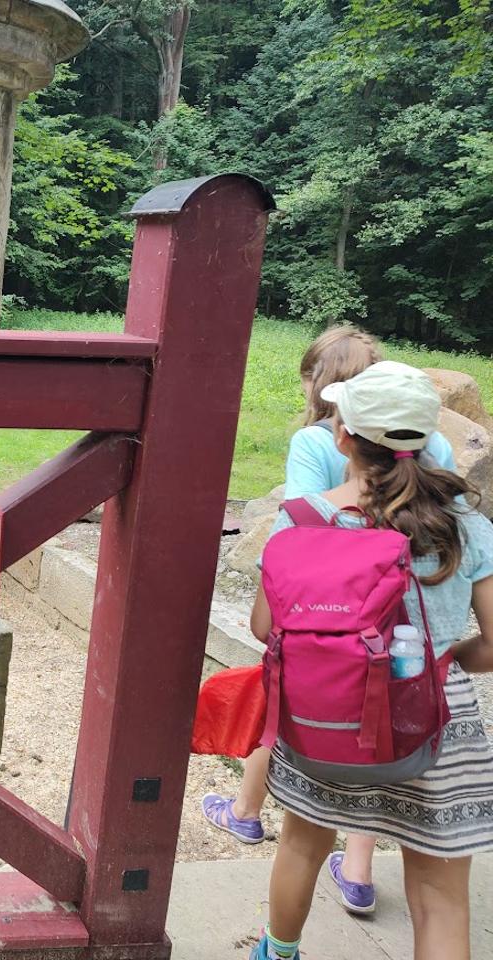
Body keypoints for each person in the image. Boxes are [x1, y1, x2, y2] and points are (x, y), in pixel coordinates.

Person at [202, 327, 456, 916]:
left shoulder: (313, 454)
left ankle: (247, 817)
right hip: (422, 675)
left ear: (342, 428)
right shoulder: (444, 475)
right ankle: (359, 872)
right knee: (385, 718)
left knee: (301, 719)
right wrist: (454, 653)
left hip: (325, 617)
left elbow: (291, 555)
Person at [250, 361, 493, 960]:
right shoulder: (465, 523)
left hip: (327, 715)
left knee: (302, 846)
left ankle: (277, 952)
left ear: (342, 437)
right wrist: (452, 657)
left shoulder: (302, 519)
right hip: (437, 723)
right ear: (428, 438)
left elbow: (263, 627)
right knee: (440, 897)